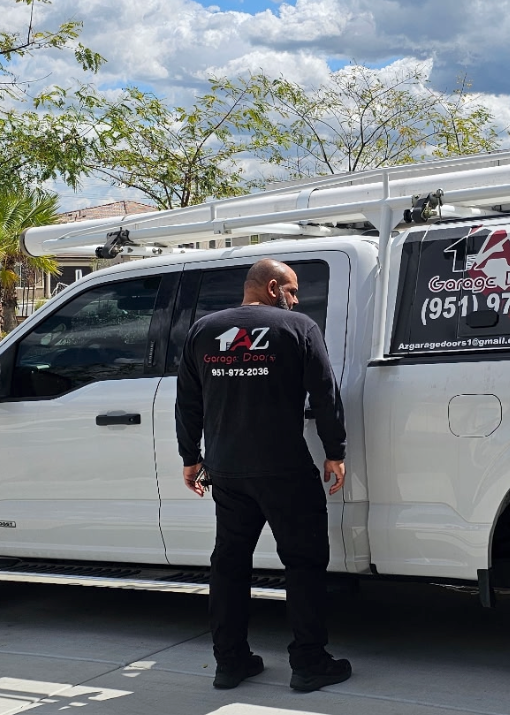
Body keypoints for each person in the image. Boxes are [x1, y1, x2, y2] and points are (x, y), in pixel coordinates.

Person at [176, 258, 351, 693]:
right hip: (285, 470)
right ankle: (309, 662)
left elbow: (187, 401)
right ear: (272, 287)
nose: (295, 300)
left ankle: (230, 662)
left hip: (227, 471)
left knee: (230, 566)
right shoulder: (298, 328)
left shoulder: (203, 330)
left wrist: (190, 458)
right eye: (292, 291)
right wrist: (335, 452)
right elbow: (325, 394)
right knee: (305, 563)